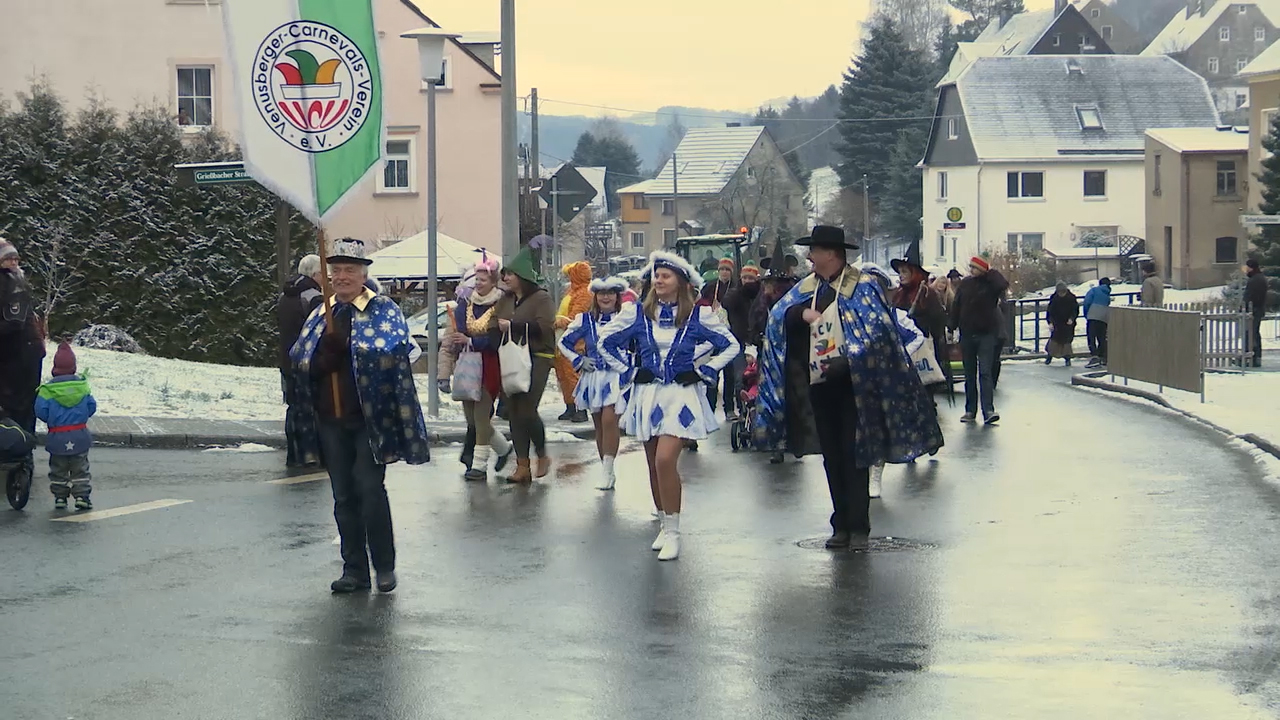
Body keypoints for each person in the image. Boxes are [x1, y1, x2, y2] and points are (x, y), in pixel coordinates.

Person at [758, 226, 943, 550]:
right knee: (832, 456)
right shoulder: (806, 288)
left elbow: (880, 331)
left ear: (832, 253)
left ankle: (859, 526)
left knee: (855, 454)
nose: (808, 257)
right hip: (819, 386)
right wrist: (801, 313)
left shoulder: (864, 286)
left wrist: (851, 358)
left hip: (857, 386)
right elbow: (778, 320)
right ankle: (840, 524)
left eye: (813, 250)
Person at [290, 238, 430, 594]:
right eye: (335, 270)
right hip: (330, 419)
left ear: (363, 273)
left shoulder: (381, 309)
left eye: (349, 270)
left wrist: (352, 345)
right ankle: (354, 569)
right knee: (343, 497)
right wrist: (325, 356)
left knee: (370, 491)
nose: (341, 277)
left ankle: (384, 565)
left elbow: (394, 350)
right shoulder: (321, 312)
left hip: (371, 421)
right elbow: (301, 361)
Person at [600, 251, 739, 561]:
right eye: (656, 276)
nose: (658, 280)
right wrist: (631, 370)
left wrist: (705, 370)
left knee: (665, 460)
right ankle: (665, 522)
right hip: (647, 396)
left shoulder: (698, 316)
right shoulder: (637, 314)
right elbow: (605, 343)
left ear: (681, 281)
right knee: (652, 463)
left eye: (665, 275)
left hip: (681, 397)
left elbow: (730, 345)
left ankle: (675, 532)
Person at [558, 276, 631, 490]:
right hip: (594, 377)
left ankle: (608, 469)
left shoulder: (626, 318)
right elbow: (563, 342)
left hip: (617, 377)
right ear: (595, 296)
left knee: (610, 420)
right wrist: (578, 359)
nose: (606, 297)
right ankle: (606, 470)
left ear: (617, 296)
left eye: (610, 293)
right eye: (601, 293)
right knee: (599, 425)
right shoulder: (585, 320)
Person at [494, 245, 557, 483]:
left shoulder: (541, 298)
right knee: (513, 412)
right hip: (510, 358)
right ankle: (522, 465)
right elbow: (493, 323)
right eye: (504, 274)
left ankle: (541, 454)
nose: (506, 278)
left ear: (522, 277)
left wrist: (513, 327)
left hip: (537, 358)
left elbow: (545, 328)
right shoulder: (506, 300)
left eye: (510, 274)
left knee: (527, 410)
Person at [454, 254, 514, 482]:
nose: (478, 284)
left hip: (490, 364)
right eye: (476, 280)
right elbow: (459, 329)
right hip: (468, 364)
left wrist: (471, 341)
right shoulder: (468, 304)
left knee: (481, 415)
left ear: (493, 282)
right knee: (471, 419)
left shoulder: (501, 304)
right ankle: (503, 449)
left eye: (483, 280)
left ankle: (479, 465)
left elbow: (495, 338)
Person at [750, 239, 800, 464]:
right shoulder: (761, 303)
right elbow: (753, 325)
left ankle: (794, 440)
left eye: (771, 283)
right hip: (768, 359)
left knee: (793, 398)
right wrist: (757, 339)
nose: (767, 286)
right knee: (771, 400)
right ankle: (776, 443)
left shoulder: (793, 303)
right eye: (766, 282)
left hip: (792, 358)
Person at [35, 342, 97, 510]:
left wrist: (52, 420)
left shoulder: (48, 390)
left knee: (58, 469)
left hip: (57, 436)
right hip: (79, 435)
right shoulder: (82, 387)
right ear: (74, 367)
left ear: (55, 367)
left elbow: (40, 411)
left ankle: (60, 498)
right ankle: (82, 497)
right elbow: (91, 407)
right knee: (80, 468)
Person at [949, 257, 1009, 425]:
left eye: (975, 268)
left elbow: (1003, 284)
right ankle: (970, 410)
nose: (971, 270)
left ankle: (988, 410)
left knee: (985, 372)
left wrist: (989, 272)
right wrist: (952, 325)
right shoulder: (965, 284)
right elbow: (956, 305)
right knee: (969, 373)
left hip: (986, 334)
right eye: (971, 267)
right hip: (967, 334)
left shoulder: (991, 284)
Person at [278, 254, 324, 468]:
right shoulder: (313, 296)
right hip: (308, 360)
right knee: (311, 407)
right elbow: (321, 330)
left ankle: (293, 454)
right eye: (323, 273)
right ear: (315, 274)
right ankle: (310, 454)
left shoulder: (285, 295)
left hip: (286, 359)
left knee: (293, 406)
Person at [0, 238, 46, 441]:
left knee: (15, 406)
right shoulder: (18, 281)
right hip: (26, 351)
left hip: (17, 354)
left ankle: (16, 455)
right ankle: (22, 452)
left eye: (15, 259)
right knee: (24, 407)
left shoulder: (10, 281)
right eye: (7, 259)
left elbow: (13, 321)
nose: (13, 263)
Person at [891, 241, 951, 392]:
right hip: (903, 350)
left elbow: (938, 324)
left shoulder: (927, 293)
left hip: (922, 349)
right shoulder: (898, 294)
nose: (901, 276)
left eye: (905, 272)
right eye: (900, 272)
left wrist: (939, 355)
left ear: (914, 273)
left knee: (924, 392)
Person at [553, 261, 594, 423]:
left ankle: (581, 409)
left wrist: (560, 321)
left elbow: (577, 317)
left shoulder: (584, 294)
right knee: (563, 376)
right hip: (563, 340)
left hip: (576, 342)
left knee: (573, 376)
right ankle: (570, 406)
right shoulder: (572, 291)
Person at [721, 262, 760, 420]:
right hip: (738, 342)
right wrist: (742, 291)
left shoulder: (760, 295)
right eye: (744, 278)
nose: (747, 281)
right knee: (740, 376)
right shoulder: (735, 293)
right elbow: (726, 303)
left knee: (757, 376)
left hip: (757, 340)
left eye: (750, 278)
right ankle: (741, 409)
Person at [1045, 282, 1079, 366]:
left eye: (1063, 292)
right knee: (1054, 341)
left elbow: (1075, 310)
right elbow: (1050, 311)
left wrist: (1072, 318)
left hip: (1068, 323)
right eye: (1060, 293)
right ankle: (1050, 356)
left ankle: (1067, 358)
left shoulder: (1071, 298)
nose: (1061, 294)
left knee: (1067, 342)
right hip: (1057, 322)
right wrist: (1050, 322)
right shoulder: (1054, 298)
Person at [1082, 277, 1113, 369]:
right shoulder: (1107, 294)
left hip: (1092, 315)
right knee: (1101, 337)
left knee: (1091, 337)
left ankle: (1094, 356)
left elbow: (1087, 302)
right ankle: (1102, 357)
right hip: (1104, 317)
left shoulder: (1094, 290)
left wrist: (1087, 314)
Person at [1245, 258, 1270, 368]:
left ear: (1251, 267)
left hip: (1254, 310)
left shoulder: (1256, 280)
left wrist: (1248, 306)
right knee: (1253, 333)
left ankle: (1252, 357)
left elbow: (1252, 296)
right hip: (1255, 309)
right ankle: (1253, 356)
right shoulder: (1257, 278)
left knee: (1251, 333)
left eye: (1247, 267)